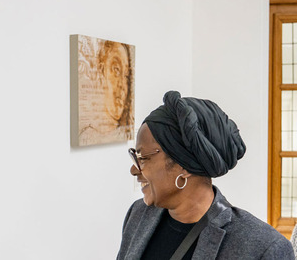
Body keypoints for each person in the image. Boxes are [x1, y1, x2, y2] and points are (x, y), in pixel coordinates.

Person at [117, 91, 294, 259]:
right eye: (135, 156)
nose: (134, 170)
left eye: (142, 158)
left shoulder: (263, 248)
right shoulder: (138, 215)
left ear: (183, 166)